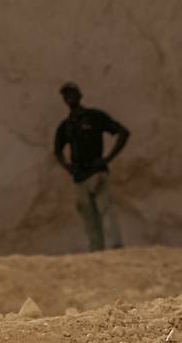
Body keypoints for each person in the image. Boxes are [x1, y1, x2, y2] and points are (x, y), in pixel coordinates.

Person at [53, 81, 129, 251]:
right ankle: (97, 251)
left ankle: (115, 247)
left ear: (80, 96)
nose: (69, 98)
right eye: (66, 95)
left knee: (105, 209)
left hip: (97, 173)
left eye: (71, 94)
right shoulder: (66, 126)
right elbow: (57, 150)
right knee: (89, 218)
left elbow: (123, 133)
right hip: (80, 178)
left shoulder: (94, 116)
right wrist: (67, 166)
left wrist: (108, 158)